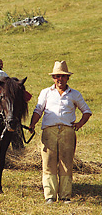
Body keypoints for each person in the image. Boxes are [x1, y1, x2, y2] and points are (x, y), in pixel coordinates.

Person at [29, 61, 92, 205]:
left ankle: (65, 196)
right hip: (49, 131)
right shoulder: (46, 92)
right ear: (53, 78)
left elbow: (87, 111)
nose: (60, 79)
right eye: (57, 76)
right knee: (48, 163)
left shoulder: (74, 94)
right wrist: (33, 124)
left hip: (67, 132)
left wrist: (79, 124)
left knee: (66, 163)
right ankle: (50, 196)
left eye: (63, 76)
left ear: (68, 78)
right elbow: (38, 110)